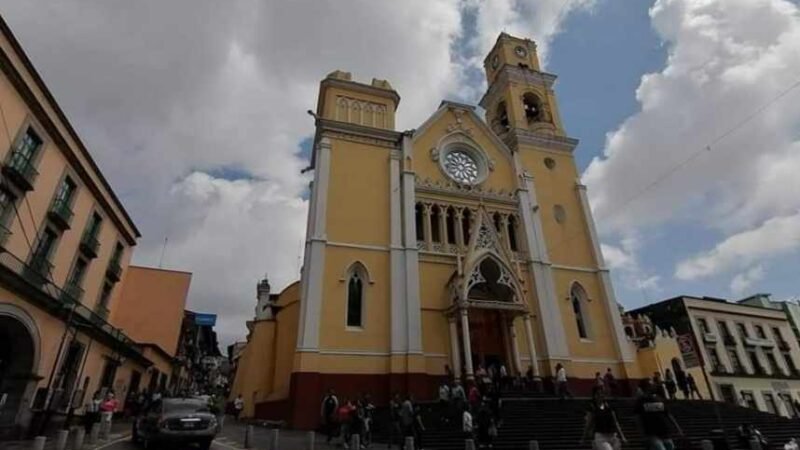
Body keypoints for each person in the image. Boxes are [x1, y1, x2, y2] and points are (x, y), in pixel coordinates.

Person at [635, 380, 684, 450]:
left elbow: (668, 414)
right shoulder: (640, 402)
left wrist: (678, 428)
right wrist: (642, 434)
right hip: (651, 433)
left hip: (664, 431)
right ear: (646, 387)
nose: (654, 386)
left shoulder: (658, 399)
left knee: (670, 447)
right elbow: (638, 419)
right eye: (651, 385)